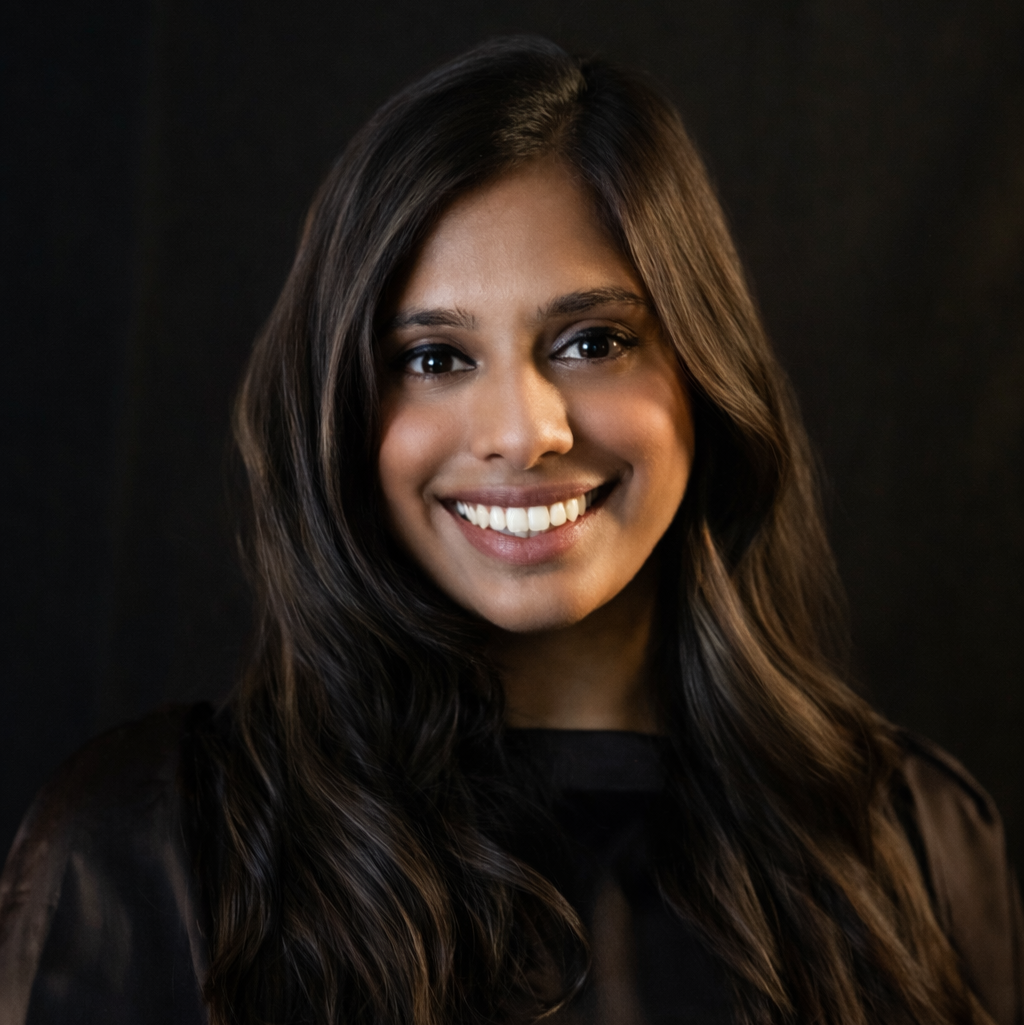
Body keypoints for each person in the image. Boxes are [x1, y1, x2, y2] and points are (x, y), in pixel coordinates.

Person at [0, 35, 1021, 1025]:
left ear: (704, 373)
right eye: (435, 358)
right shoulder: (148, 848)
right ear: (338, 409)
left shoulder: (917, 838)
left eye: (592, 340)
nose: (524, 433)